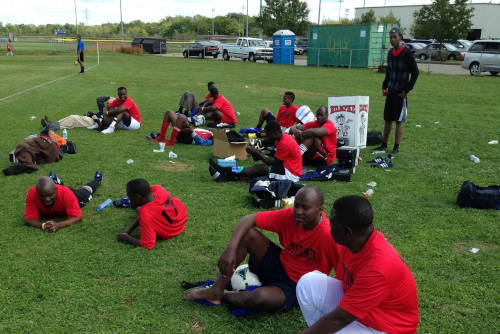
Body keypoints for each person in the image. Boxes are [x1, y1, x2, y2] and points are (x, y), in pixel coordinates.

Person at [185, 186, 336, 312]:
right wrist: (231, 249)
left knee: (257, 299)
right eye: (296, 205)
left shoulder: (328, 235)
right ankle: (216, 289)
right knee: (248, 234)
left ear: (319, 209)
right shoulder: (290, 216)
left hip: (297, 286)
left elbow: (343, 271)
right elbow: (249, 219)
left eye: (305, 208)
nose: (298, 211)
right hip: (279, 264)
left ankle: (223, 294)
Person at [296, 195, 419, 334]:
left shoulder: (378, 267)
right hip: (366, 313)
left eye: (332, 223)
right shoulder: (354, 242)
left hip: (386, 329)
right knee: (308, 283)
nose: (329, 227)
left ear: (346, 232)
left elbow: (340, 319)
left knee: (333, 327)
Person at [211, 121, 302, 182]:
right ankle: (228, 174)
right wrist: (255, 152)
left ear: (275, 133)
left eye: (268, 135)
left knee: (260, 168)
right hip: (285, 168)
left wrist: (256, 152)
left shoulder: (285, 142)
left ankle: (225, 168)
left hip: (291, 174)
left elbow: (274, 162)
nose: (267, 137)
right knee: (257, 169)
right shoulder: (280, 138)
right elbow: (271, 159)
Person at [377, 27, 419, 154]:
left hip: (401, 93)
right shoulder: (390, 53)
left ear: (400, 37)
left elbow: (415, 72)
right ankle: (384, 144)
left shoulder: (407, 53)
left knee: (399, 121)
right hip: (391, 91)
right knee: (387, 119)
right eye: (390, 37)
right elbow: (389, 72)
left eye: (395, 37)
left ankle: (396, 147)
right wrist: (384, 86)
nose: (392, 39)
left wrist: (407, 89)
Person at [117, 179, 187, 250]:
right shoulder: (158, 188)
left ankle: (133, 204)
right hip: (180, 218)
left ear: (138, 196)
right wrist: (129, 230)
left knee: (139, 209)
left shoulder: (146, 213)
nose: (129, 199)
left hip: (170, 231)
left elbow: (148, 244)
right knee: (140, 209)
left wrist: (125, 237)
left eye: (131, 198)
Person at [24, 172, 102, 233]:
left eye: (50, 195)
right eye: (42, 196)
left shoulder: (66, 193)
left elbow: (77, 217)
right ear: (37, 192)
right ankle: (55, 180)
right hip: (61, 193)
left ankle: (97, 180)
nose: (47, 199)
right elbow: (29, 219)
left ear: (56, 190)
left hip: (74, 195)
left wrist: (58, 225)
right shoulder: (32, 193)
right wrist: (43, 225)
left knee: (87, 192)